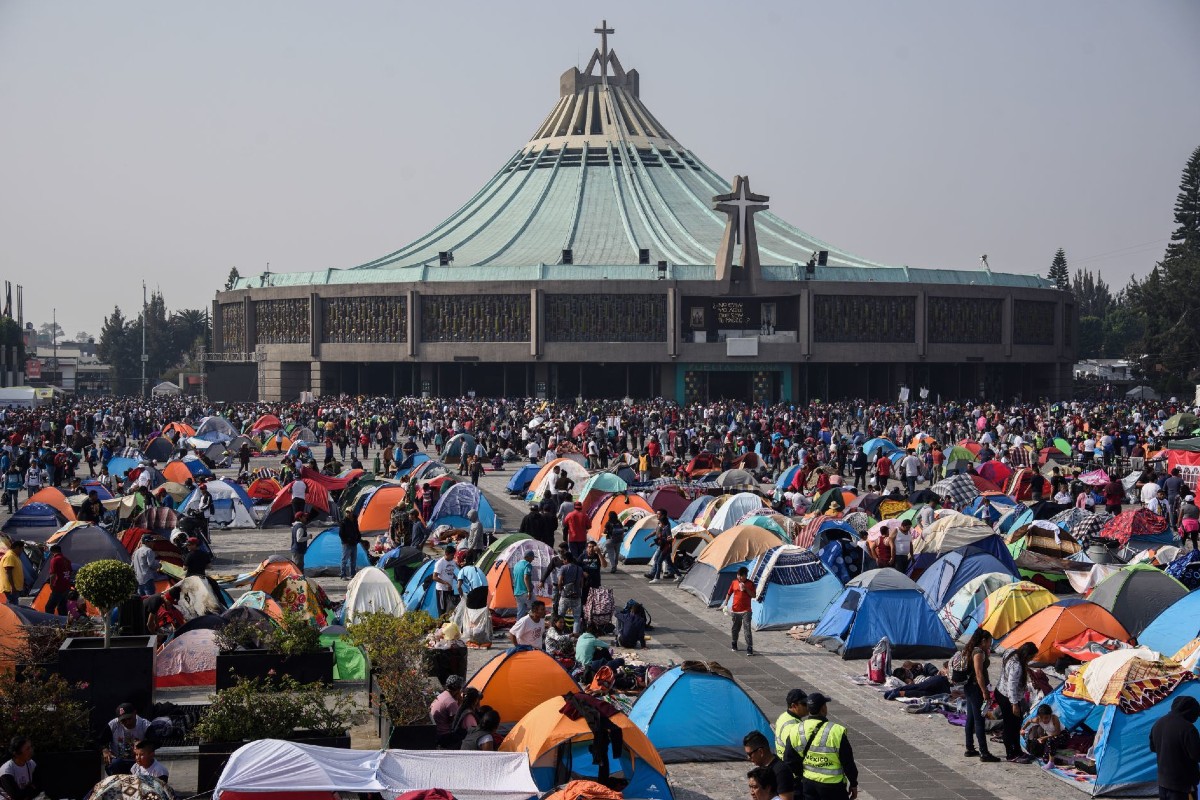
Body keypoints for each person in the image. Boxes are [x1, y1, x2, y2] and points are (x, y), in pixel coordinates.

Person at [782, 692, 858, 800]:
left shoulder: (796, 729)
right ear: (823, 708)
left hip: (809, 785)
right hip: (833, 787)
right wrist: (853, 783)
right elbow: (848, 762)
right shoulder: (836, 731)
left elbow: (789, 760)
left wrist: (803, 774)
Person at [1150, 694, 1200, 800]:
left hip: (1163, 783)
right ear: (1190, 711)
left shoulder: (1158, 723)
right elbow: (1196, 755)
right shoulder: (1188, 729)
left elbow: (1153, 747)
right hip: (1183, 786)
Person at [961, 629, 1000, 762]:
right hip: (975, 689)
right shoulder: (978, 653)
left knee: (971, 718)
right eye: (989, 641)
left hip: (970, 688)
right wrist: (985, 692)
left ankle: (970, 748)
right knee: (979, 720)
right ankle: (984, 752)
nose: (990, 644)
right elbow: (979, 674)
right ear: (983, 640)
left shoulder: (973, 650)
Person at [996, 642, 1036, 762]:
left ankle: (1017, 750)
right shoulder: (1017, 666)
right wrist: (1014, 704)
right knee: (1011, 726)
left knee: (1016, 724)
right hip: (1008, 697)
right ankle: (1011, 753)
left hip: (1001, 691)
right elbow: (1011, 686)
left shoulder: (1010, 652)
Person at [745, 730, 794, 800]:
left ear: (760, 752)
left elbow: (786, 798)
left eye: (750, 754)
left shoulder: (781, 771)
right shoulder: (764, 767)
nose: (748, 758)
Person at [104, 702, 151, 774]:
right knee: (115, 763)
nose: (127, 722)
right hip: (118, 760)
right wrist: (105, 750)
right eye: (123, 720)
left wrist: (144, 746)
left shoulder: (145, 725)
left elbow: (155, 742)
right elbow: (100, 741)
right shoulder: (113, 725)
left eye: (129, 719)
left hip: (138, 760)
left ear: (135, 713)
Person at [726, 566, 755, 655]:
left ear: (746, 576)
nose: (739, 577)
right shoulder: (734, 582)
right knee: (735, 628)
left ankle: (749, 647)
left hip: (746, 610)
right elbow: (729, 593)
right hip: (735, 610)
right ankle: (734, 643)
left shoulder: (750, 584)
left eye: (741, 576)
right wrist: (725, 603)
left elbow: (753, 595)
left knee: (747, 629)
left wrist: (745, 588)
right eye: (738, 575)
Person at [429, 675, 465, 748]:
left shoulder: (441, 695)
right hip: (443, 736)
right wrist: (461, 701)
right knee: (465, 732)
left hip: (435, 732)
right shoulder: (451, 702)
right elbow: (457, 722)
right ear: (458, 689)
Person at [0, 736, 38, 800]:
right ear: (17, 753)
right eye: (27, 749)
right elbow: (16, 796)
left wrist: (29, 790)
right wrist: (30, 788)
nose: (31, 750)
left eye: (31, 747)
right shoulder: (6, 770)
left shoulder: (31, 764)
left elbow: (38, 786)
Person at [773, 689, 809, 759]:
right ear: (794, 706)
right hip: (789, 764)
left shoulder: (784, 716)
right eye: (804, 704)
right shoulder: (791, 727)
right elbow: (796, 751)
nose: (807, 707)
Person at [556, 552, 585, 634]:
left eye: (563, 560)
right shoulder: (579, 569)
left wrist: (560, 589)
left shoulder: (563, 568)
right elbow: (581, 583)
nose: (563, 561)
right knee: (576, 617)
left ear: (566, 559)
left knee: (560, 616)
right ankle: (575, 636)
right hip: (576, 596)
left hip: (565, 596)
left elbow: (559, 582)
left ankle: (559, 633)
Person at [648, 510, 677, 583]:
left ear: (663, 515)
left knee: (657, 559)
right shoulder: (660, 523)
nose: (657, 515)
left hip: (664, 545)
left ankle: (653, 574)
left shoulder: (666, 525)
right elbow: (656, 531)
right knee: (668, 561)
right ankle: (673, 573)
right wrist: (649, 536)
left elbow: (667, 536)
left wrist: (667, 541)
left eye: (658, 514)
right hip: (661, 544)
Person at [45, 543, 72, 616]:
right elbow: (70, 572)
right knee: (62, 607)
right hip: (66, 587)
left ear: (52, 552)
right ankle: (64, 622)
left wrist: (51, 584)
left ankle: (49, 622)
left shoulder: (55, 560)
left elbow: (53, 574)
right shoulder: (67, 560)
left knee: (49, 607)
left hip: (58, 587)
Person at [432, 546, 459, 616]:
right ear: (446, 553)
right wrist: (446, 583)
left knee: (450, 609)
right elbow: (434, 577)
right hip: (442, 590)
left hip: (450, 589)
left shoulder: (453, 562)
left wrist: (457, 578)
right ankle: (441, 625)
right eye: (452, 555)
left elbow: (451, 572)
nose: (453, 557)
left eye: (454, 555)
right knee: (442, 610)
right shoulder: (440, 563)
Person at [338, 506, 361, 580]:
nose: (348, 514)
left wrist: (358, 539)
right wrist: (346, 541)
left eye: (349, 512)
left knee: (353, 560)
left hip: (354, 543)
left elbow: (357, 530)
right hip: (346, 544)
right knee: (344, 560)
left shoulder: (354, 520)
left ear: (352, 512)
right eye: (347, 512)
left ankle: (353, 574)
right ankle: (343, 574)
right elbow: (341, 534)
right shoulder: (343, 522)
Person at [511, 550, 535, 619]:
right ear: (527, 557)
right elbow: (526, 577)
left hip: (517, 592)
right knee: (536, 608)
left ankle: (518, 626)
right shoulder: (527, 565)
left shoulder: (516, 565)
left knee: (520, 612)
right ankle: (535, 625)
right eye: (532, 557)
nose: (533, 559)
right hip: (525, 591)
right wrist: (529, 591)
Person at [0, 540, 24, 604]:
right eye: (21, 549)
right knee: (13, 606)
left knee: (12, 604)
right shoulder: (10, 556)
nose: (22, 551)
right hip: (11, 587)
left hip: (14, 586)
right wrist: (12, 586)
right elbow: (8, 572)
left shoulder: (14, 556)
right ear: (17, 547)